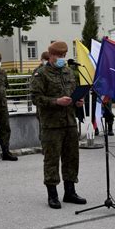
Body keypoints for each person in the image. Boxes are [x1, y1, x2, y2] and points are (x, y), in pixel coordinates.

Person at [31, 41, 87, 209]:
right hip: (51, 125)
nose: (62, 58)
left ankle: (70, 192)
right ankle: (52, 194)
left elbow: (73, 92)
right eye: (59, 56)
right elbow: (36, 98)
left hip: (69, 122)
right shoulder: (41, 74)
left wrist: (78, 101)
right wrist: (56, 101)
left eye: (64, 55)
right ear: (51, 55)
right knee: (52, 160)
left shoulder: (69, 72)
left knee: (71, 158)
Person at [31, 51, 50, 147]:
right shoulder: (37, 71)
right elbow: (34, 88)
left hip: (52, 103)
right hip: (42, 103)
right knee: (42, 125)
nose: (47, 61)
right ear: (41, 60)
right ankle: (44, 145)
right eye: (45, 60)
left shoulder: (52, 70)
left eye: (48, 59)